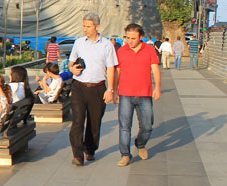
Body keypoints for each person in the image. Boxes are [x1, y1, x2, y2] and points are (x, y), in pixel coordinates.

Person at [68, 12, 118, 166]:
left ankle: (90, 149)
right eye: (84, 26)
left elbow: (111, 68)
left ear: (97, 27)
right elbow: (70, 63)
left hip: (98, 88)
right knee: (77, 121)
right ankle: (77, 155)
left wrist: (110, 90)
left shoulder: (107, 45)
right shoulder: (79, 43)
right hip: (79, 87)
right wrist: (72, 69)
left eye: (88, 26)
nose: (85, 29)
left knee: (94, 122)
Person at [113, 23, 161, 167]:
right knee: (124, 126)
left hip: (144, 94)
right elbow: (118, 72)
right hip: (125, 94)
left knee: (147, 125)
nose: (130, 41)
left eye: (133, 38)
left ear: (141, 37)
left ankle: (140, 144)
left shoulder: (149, 50)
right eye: (127, 38)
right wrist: (114, 91)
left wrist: (157, 87)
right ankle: (125, 155)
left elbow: (155, 69)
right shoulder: (121, 51)